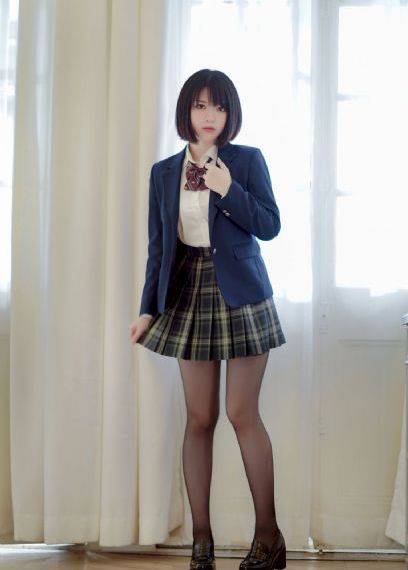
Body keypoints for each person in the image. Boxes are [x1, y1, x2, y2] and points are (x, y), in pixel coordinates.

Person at [130, 69, 286, 570]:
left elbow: (270, 225)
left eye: (218, 106)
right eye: (200, 106)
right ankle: (202, 542)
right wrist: (147, 309)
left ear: (229, 113)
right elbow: (159, 247)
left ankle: (268, 538)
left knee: (242, 414)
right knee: (199, 418)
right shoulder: (163, 173)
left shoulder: (247, 160)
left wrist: (228, 189)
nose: (210, 115)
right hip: (188, 292)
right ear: (187, 112)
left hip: (243, 295)